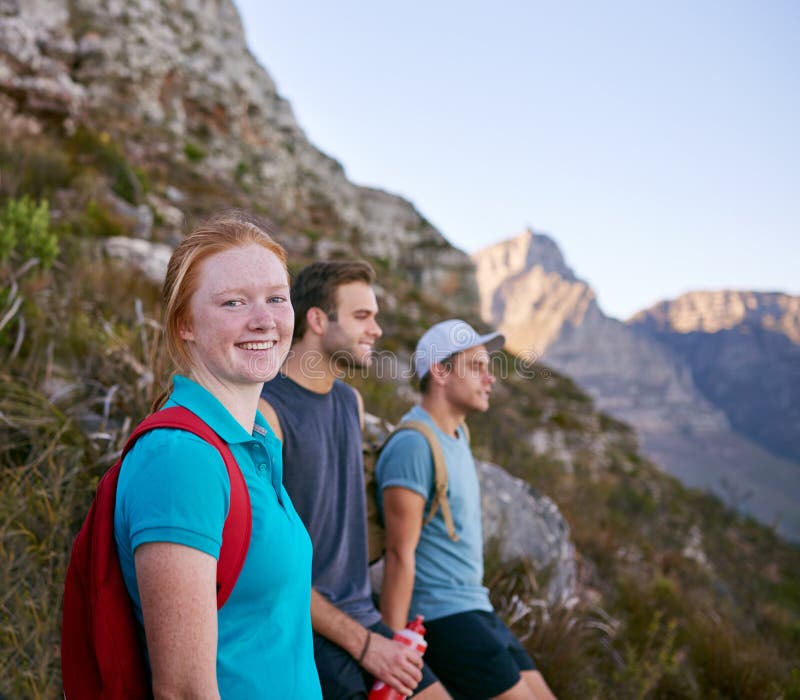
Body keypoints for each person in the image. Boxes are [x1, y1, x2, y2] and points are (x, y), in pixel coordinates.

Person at [113, 212, 322, 699]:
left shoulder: (256, 439)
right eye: (234, 302)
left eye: (276, 298)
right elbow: (184, 691)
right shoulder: (181, 458)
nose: (264, 320)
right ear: (184, 323)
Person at [260, 261, 450, 700]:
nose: (377, 330)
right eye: (363, 316)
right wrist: (366, 646)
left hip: (362, 616)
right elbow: (265, 564)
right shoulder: (268, 412)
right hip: (302, 624)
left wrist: (379, 637)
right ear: (317, 320)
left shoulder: (351, 403)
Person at [375, 319, 557, 700]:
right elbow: (399, 555)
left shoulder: (458, 437)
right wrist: (389, 654)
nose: (489, 378)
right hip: (441, 616)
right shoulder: (413, 444)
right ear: (439, 371)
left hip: (476, 606)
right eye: (476, 367)